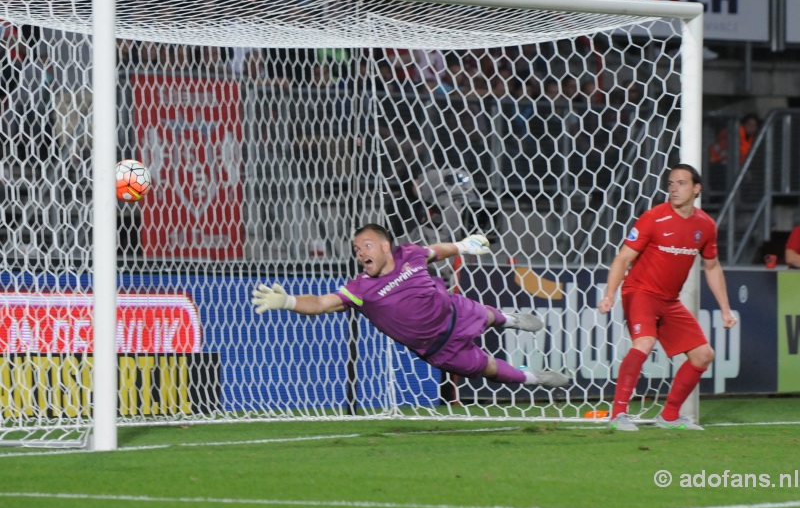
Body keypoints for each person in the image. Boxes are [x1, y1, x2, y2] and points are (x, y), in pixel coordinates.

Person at [252, 224, 570, 390]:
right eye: (356, 249)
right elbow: (322, 303)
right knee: (489, 370)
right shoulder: (360, 288)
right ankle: (534, 379)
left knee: (486, 314)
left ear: (385, 246)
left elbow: (435, 250)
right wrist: (288, 301)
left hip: (455, 313)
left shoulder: (409, 254)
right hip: (438, 350)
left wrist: (463, 246)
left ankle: (510, 319)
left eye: (366, 245)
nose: (360, 253)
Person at [597, 164, 737, 431]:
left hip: (669, 301)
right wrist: (609, 295)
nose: (674, 188)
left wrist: (725, 309)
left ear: (697, 189)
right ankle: (618, 414)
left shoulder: (705, 226)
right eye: (671, 183)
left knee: (703, 355)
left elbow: (712, 266)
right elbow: (623, 257)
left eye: (681, 183)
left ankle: (670, 416)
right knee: (645, 342)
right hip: (640, 292)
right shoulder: (653, 218)